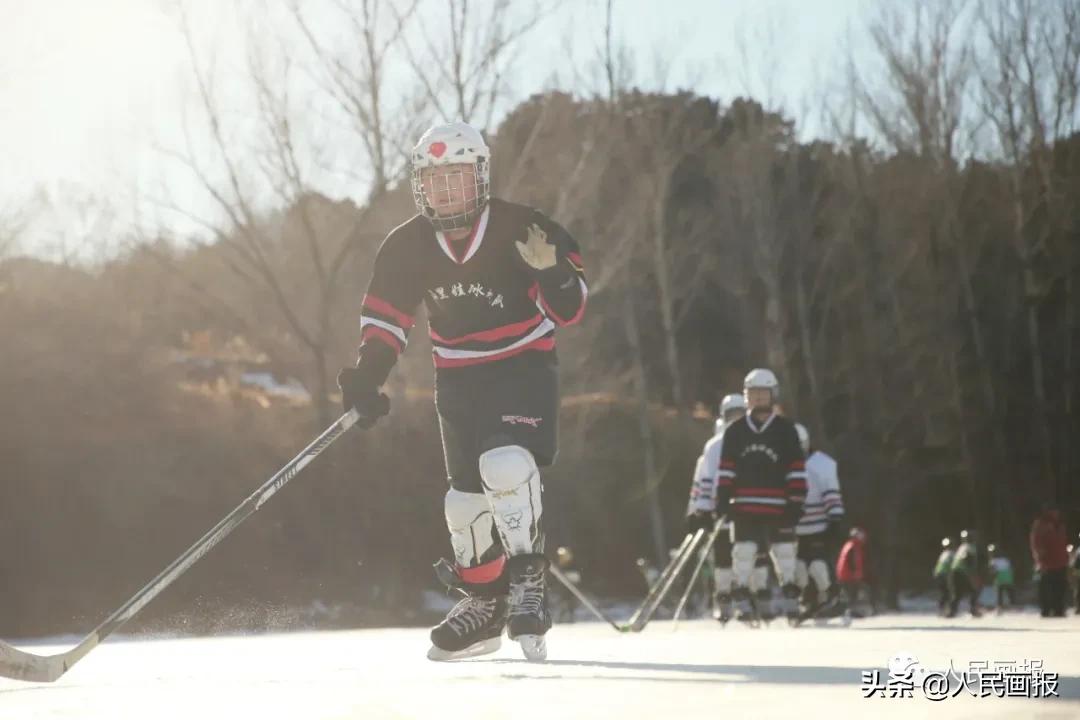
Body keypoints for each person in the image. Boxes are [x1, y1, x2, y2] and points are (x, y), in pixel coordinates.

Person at [337, 121, 587, 662]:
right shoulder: (407, 245)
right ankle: (484, 606)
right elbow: (386, 319)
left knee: (504, 465)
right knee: (462, 503)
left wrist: (551, 275)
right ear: (420, 186)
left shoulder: (524, 228)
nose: (447, 191)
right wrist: (367, 376)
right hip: (458, 378)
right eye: (435, 181)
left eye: (456, 177)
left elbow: (571, 309)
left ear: (479, 177)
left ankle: (527, 582)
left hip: (523, 368)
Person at [716, 369, 807, 623]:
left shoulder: (786, 430)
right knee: (743, 552)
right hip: (744, 505)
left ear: (772, 395)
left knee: (785, 552)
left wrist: (797, 500)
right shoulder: (734, 431)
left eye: (762, 393)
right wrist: (722, 497)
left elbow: (796, 468)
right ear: (746, 397)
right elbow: (726, 468)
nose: (757, 399)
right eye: (752, 393)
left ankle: (791, 597)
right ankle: (742, 595)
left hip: (778, 504)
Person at [684, 393, 747, 622]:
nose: (736, 419)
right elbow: (704, 481)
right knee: (722, 559)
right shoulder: (714, 446)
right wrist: (699, 509)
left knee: (745, 555)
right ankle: (722, 597)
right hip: (720, 512)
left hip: (744, 511)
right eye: (732, 415)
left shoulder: (752, 439)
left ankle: (743, 597)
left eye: (741, 414)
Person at [793, 422, 845, 617]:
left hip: (819, 525)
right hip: (795, 528)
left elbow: (831, 493)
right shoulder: (783, 465)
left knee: (818, 565)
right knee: (798, 567)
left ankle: (832, 596)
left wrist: (835, 518)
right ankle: (808, 599)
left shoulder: (821, 464)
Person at [1029, 505, 1069, 618]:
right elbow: (1036, 541)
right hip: (1046, 561)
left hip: (1061, 561)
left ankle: (1058, 608)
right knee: (1046, 586)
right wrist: (1039, 556)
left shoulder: (1061, 525)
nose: (1056, 514)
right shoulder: (1041, 525)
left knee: (1060, 586)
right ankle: (1046, 609)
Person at [835, 527, 871, 620]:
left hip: (845, 574)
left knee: (851, 594)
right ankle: (848, 612)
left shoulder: (851, 545)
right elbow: (853, 561)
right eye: (861, 535)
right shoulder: (853, 546)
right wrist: (855, 573)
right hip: (848, 575)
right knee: (852, 594)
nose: (863, 537)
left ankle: (851, 611)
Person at [947, 529, 983, 618]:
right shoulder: (970, 547)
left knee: (958, 593)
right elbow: (967, 560)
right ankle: (972, 610)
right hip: (962, 572)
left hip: (955, 572)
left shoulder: (962, 546)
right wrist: (971, 573)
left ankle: (952, 611)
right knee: (974, 591)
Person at [986, 543, 1015, 614]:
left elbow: (992, 571)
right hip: (1008, 577)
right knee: (1009, 591)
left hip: (1000, 578)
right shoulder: (1005, 559)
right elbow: (1010, 567)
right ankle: (1013, 604)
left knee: (1000, 593)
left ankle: (999, 607)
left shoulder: (992, 561)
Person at [933, 537, 955, 616]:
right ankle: (945, 609)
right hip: (945, 575)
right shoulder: (951, 554)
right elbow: (951, 565)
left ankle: (942, 609)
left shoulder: (943, 554)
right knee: (947, 593)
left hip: (939, 574)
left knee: (943, 593)